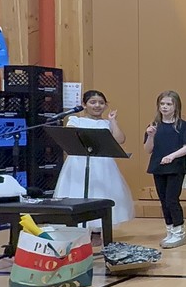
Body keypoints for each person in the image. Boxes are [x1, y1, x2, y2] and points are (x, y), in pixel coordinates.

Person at [53, 90, 135, 237]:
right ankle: (78, 231)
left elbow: (120, 139)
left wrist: (113, 121)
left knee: (100, 192)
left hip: (102, 165)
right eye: (93, 102)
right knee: (78, 192)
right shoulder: (75, 120)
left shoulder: (106, 123)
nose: (97, 105)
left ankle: (97, 232)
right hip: (79, 163)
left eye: (101, 103)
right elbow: (70, 138)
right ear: (84, 105)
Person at [143, 90, 186, 249]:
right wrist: (150, 136)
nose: (165, 107)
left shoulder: (181, 125)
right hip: (158, 168)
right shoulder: (154, 125)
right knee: (164, 201)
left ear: (175, 106)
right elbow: (148, 150)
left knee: (172, 200)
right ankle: (170, 230)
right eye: (162, 104)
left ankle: (179, 232)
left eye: (168, 104)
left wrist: (172, 156)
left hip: (175, 168)